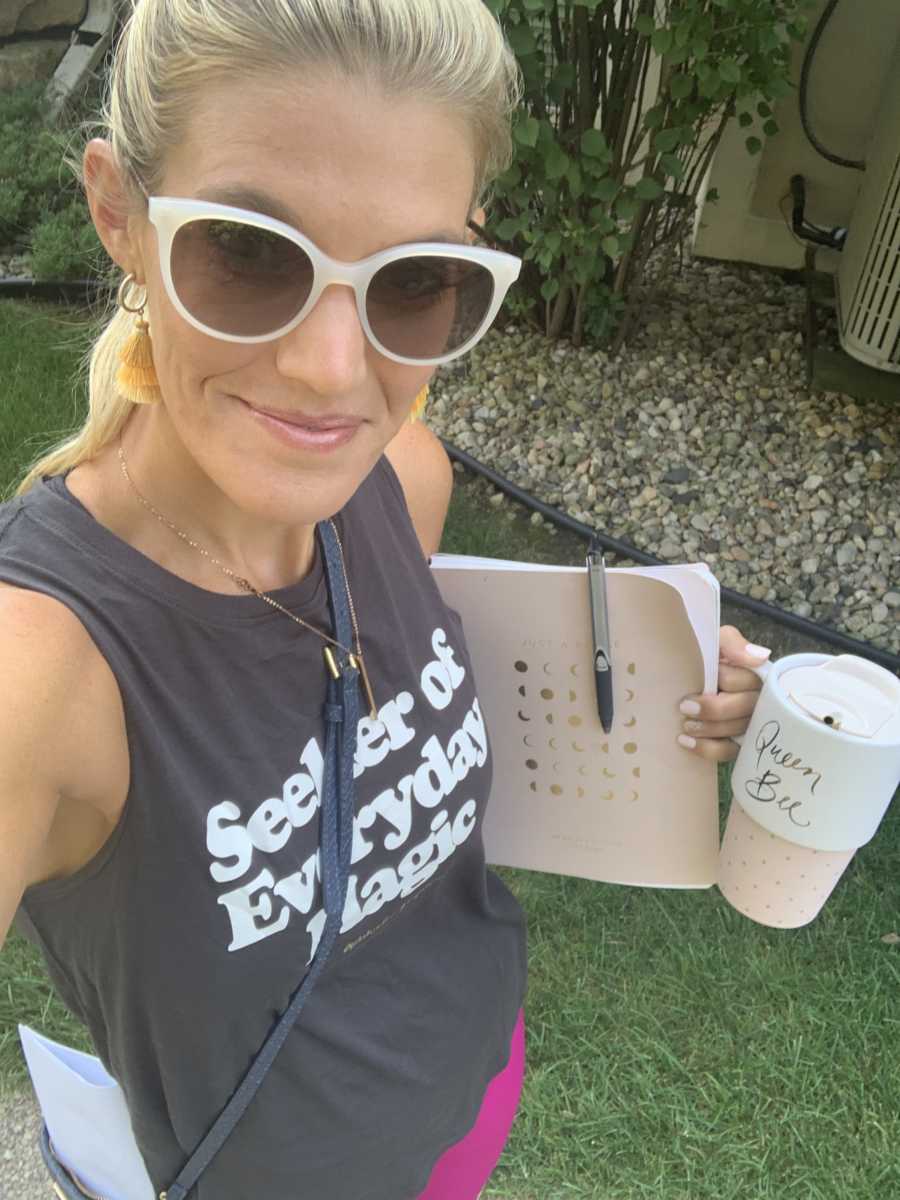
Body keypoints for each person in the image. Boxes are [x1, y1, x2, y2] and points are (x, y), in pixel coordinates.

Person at [0, 1, 769, 1197]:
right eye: (248, 251)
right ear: (120, 216)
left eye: (413, 279)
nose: (329, 365)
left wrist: (668, 709)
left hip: (475, 1091)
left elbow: (409, 749)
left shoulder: (402, 480)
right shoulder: (40, 665)